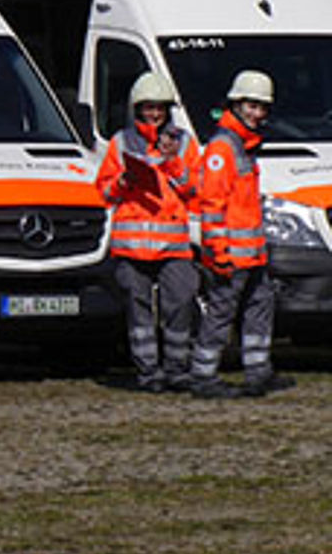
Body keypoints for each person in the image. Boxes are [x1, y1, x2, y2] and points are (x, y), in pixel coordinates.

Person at [96, 72, 201, 392]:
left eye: (160, 108)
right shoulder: (120, 142)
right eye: (148, 108)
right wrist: (124, 181)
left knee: (181, 301)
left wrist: (173, 164)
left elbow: (194, 190)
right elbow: (103, 191)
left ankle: (177, 369)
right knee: (137, 310)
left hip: (173, 246)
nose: (154, 114)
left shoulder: (184, 143)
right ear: (136, 108)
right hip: (131, 247)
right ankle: (147, 372)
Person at [190, 70, 291, 399]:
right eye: (251, 105)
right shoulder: (224, 148)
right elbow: (212, 205)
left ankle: (258, 372)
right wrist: (218, 253)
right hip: (232, 255)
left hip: (252, 254)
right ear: (235, 104)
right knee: (221, 314)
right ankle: (203, 376)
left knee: (259, 306)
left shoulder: (243, 146)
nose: (257, 113)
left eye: (262, 107)